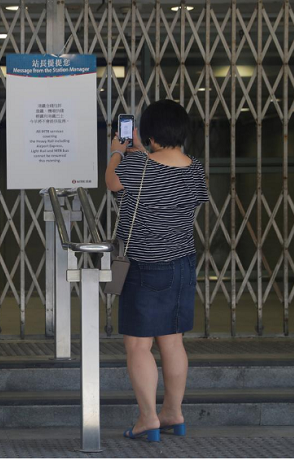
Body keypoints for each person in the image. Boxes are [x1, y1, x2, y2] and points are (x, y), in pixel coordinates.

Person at [104, 100, 209, 443]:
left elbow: (112, 182)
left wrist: (118, 151)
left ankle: (148, 418)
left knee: (138, 345)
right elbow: (185, 198)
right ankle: (173, 413)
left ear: (148, 134)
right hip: (181, 262)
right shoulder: (196, 167)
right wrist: (144, 152)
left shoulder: (136, 165)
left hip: (145, 265)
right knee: (173, 341)